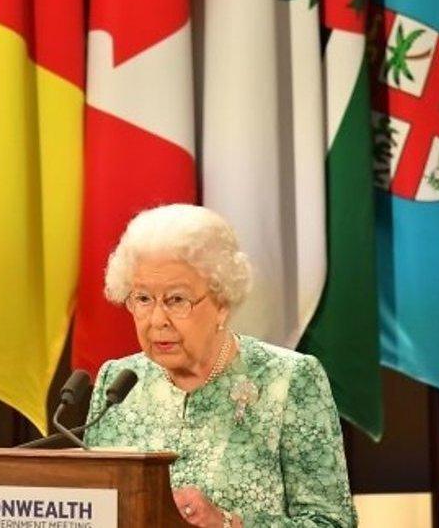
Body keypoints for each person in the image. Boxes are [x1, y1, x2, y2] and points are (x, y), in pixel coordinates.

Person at [83, 204, 356, 528]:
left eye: (176, 300)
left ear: (222, 304)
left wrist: (228, 525)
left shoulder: (288, 381)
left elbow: (333, 522)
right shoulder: (119, 383)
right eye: (143, 299)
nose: (157, 320)